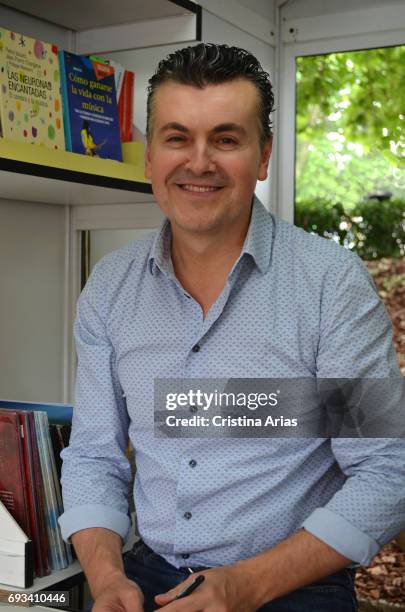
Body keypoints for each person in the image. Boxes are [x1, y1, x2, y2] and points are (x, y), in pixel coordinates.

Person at [59, 43, 405, 612]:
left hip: (293, 584)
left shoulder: (331, 284)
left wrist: (244, 585)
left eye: (226, 138)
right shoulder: (109, 288)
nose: (199, 162)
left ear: (263, 156)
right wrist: (105, 576)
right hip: (146, 575)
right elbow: (95, 457)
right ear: (149, 158)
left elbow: (387, 471)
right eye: (176, 138)